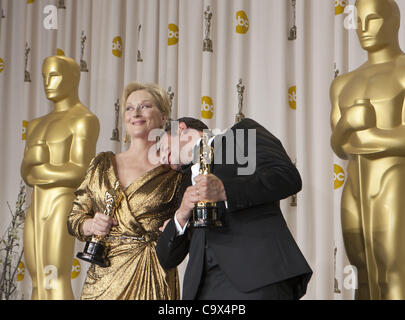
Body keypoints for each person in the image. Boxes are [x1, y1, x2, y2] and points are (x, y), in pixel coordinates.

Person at [156, 117, 312, 300]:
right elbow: (166, 259)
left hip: (257, 276)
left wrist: (225, 191)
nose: (160, 158)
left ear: (180, 129)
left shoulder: (242, 134)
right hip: (201, 291)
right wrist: (181, 216)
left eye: (160, 147)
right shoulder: (182, 184)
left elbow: (287, 176)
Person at [67, 82, 183, 300]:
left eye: (145, 106)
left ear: (164, 117)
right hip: (103, 278)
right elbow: (74, 218)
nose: (136, 113)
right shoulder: (102, 164)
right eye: (129, 108)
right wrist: (91, 224)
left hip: (151, 275)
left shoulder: (174, 173)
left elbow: (188, 227)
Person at [330, 0, 405, 299]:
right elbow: (338, 145)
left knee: (394, 269)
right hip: (355, 184)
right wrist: (348, 123)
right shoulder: (342, 83)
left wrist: (366, 134)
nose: (362, 28)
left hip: (394, 178)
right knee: (360, 269)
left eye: (372, 19)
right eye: (358, 20)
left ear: (394, 21)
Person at [21, 55, 99, 300]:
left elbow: (80, 171)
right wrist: (38, 170)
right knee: (37, 280)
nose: (47, 82)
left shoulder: (83, 120)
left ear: (73, 78)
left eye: (54, 75)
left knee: (55, 275)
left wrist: (39, 169)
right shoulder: (35, 124)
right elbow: (26, 173)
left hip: (63, 201)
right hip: (37, 204)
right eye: (45, 76)